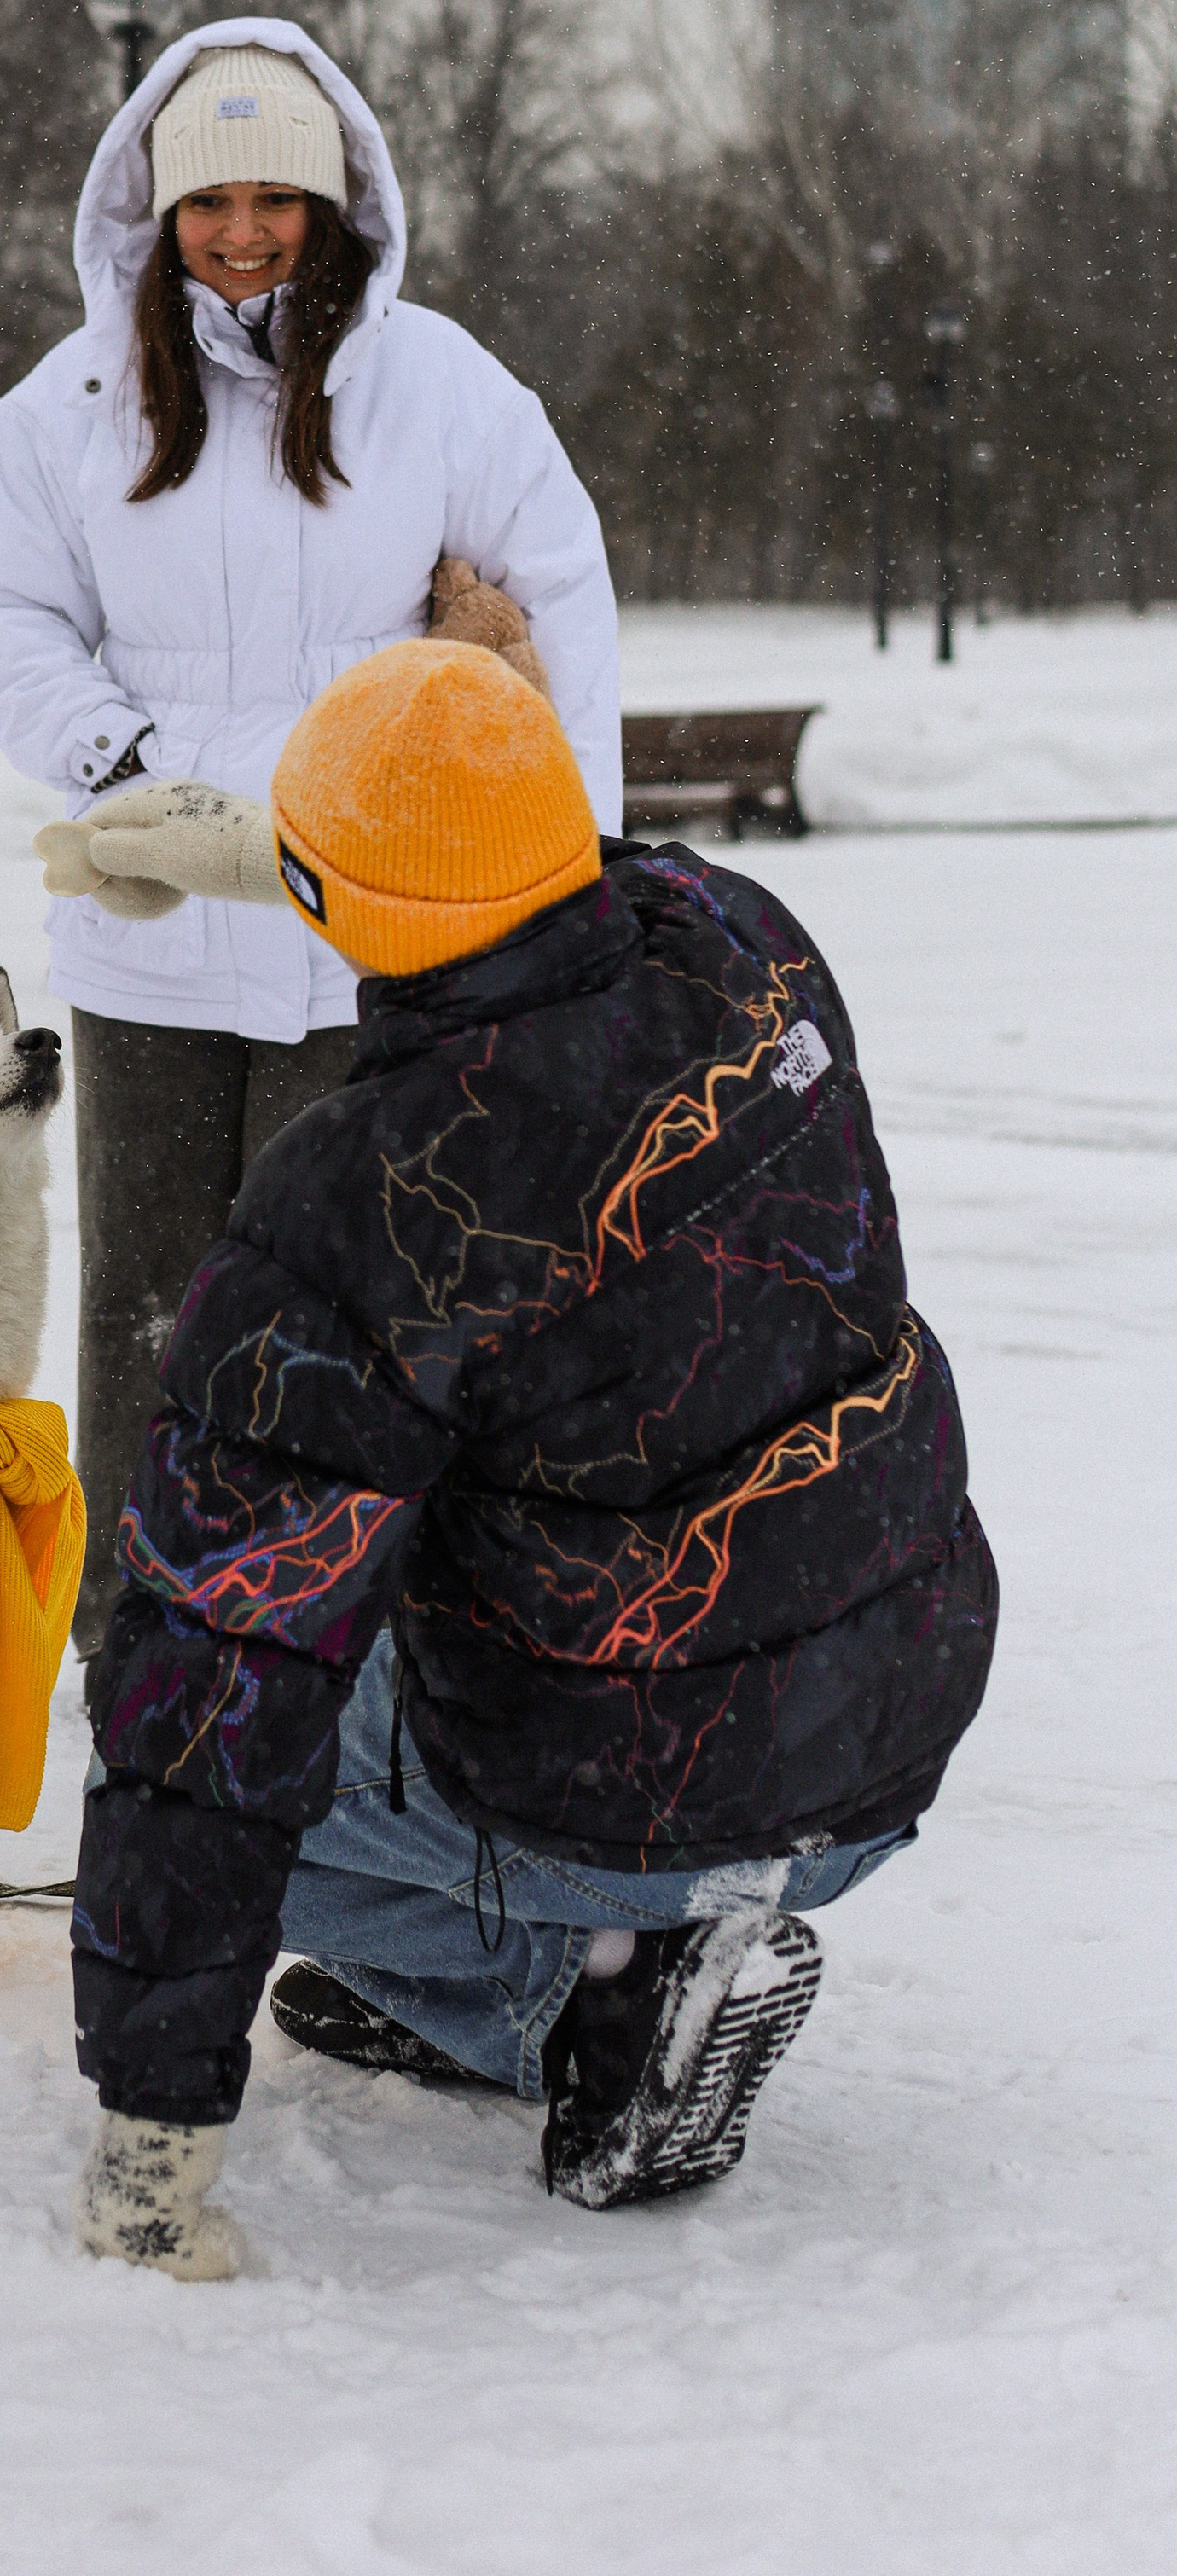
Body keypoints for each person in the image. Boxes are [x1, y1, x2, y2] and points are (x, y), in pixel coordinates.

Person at [51, 640, 996, 2273]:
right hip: (888, 1716)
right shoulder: (743, 940)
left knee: (190, 1712)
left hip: (631, 1787)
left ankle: (579, 1987)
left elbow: (213, 1689)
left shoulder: (356, 1197)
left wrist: (154, 2126)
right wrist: (261, 850)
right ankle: (604, 1950)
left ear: (339, 902)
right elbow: (537, 889)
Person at [0, 21, 620, 1654]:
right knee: (148, 1306)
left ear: (335, 206)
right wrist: (123, 760)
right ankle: (133, 1645)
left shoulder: (442, 388)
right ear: (158, 210)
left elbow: (561, 613)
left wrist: (571, 883)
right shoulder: (73, 401)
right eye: (208, 201)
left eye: (277, 199)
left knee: (348, 1311)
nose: (242, 233)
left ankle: (326, 1643)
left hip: (359, 934)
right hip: (150, 936)